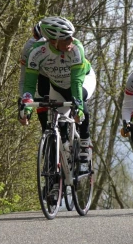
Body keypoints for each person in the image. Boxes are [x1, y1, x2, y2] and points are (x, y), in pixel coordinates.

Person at [20, 16, 96, 166]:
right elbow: (29, 84)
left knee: (81, 106)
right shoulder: (36, 52)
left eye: (71, 36)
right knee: (59, 123)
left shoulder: (76, 49)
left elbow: (76, 82)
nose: (71, 41)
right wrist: (26, 104)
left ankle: (85, 142)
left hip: (83, 80)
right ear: (53, 40)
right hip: (57, 85)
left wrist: (78, 106)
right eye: (66, 38)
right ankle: (62, 166)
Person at [18, 21, 51, 131]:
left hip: (64, 76)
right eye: (36, 37)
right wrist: (25, 110)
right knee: (41, 96)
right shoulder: (29, 48)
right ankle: (46, 136)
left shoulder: (63, 47)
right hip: (43, 76)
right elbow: (25, 81)